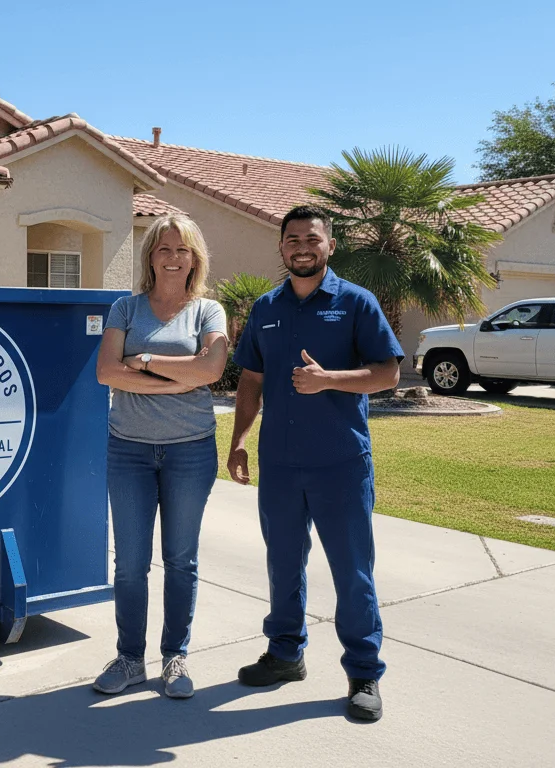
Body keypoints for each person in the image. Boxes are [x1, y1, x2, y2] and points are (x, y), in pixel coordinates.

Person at [228, 205, 402, 722]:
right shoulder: (266, 308)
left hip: (340, 462)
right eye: (292, 239)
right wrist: (239, 440)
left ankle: (364, 672)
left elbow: (388, 373)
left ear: (329, 245)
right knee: (284, 565)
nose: (302, 246)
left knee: (353, 573)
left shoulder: (356, 303)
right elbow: (251, 381)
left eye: (312, 238)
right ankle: (285, 654)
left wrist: (329, 380)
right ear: (281, 248)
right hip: (280, 464)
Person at [92, 214, 229, 699]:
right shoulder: (125, 309)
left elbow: (211, 369)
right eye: (164, 249)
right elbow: (106, 373)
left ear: (196, 258)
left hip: (190, 451)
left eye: (183, 250)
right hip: (128, 449)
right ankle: (131, 659)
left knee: (180, 559)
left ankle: (176, 658)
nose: (174, 258)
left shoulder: (209, 311)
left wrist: (145, 361)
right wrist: (181, 375)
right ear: (150, 256)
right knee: (130, 563)